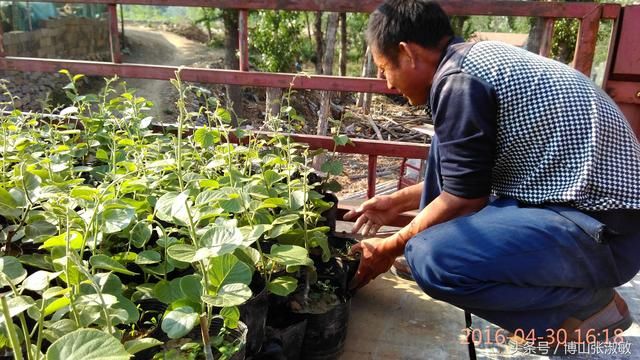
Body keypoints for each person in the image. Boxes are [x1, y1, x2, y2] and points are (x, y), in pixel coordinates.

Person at [344, 0, 640, 349]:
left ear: (407, 53)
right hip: (581, 215)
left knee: (432, 259)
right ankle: (437, 246)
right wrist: (399, 201)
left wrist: (391, 247)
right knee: (444, 145)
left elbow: (464, 199)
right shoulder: (472, 63)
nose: (388, 84)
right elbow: (467, 177)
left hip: (604, 236)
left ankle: (588, 310)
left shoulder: (458, 81)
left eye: (383, 69)